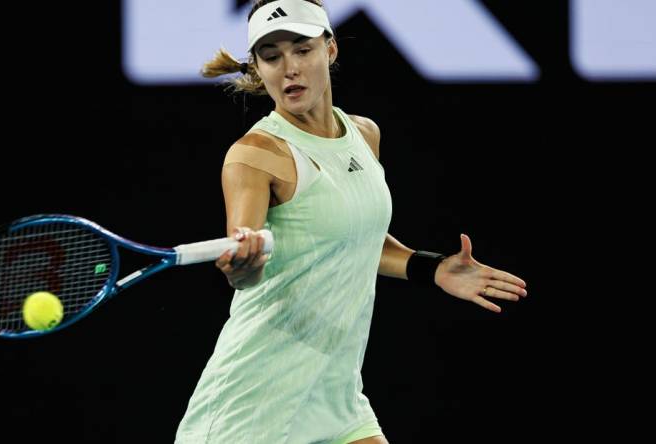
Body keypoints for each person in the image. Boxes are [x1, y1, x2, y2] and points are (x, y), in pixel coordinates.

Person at [175, 1, 528, 443]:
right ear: (258, 69)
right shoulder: (255, 153)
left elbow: (353, 238)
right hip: (255, 400)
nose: (289, 69)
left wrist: (431, 266)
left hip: (336, 394)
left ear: (331, 50)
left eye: (302, 50)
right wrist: (244, 264)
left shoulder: (364, 134)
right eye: (272, 56)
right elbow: (247, 254)